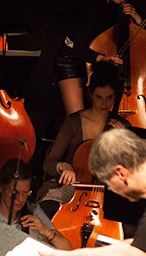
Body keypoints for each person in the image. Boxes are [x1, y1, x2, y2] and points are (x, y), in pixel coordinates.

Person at [54, 0, 142, 115]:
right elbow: (76, 45)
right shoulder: (94, 5)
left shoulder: (123, 7)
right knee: (77, 117)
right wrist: (102, 58)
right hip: (71, 59)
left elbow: (142, 39)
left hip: (97, 63)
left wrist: (136, 17)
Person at [39, 63, 129, 203]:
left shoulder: (122, 126)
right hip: (72, 188)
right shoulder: (74, 121)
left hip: (106, 194)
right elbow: (48, 163)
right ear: (90, 94)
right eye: (99, 97)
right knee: (48, 209)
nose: (104, 104)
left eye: (109, 97)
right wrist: (64, 166)